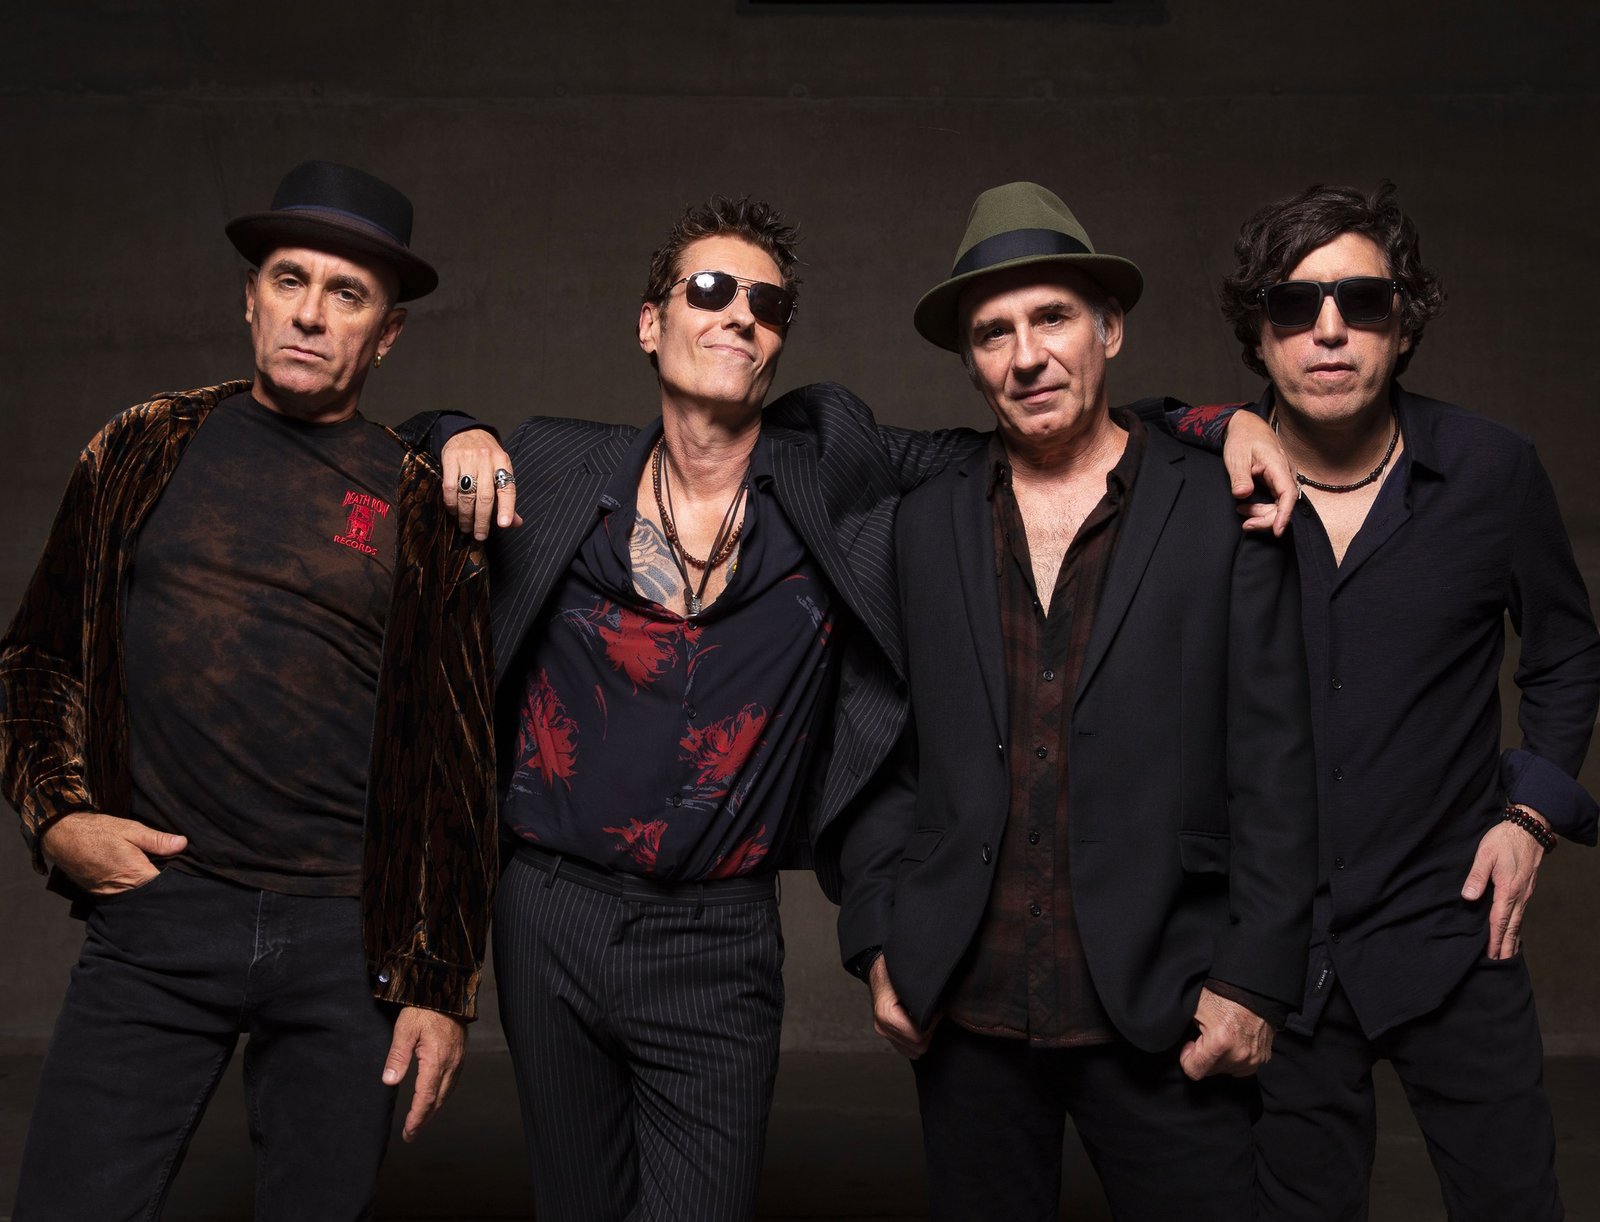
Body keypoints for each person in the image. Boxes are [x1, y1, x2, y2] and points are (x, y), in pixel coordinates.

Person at [0, 160, 498, 1221]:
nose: (310, 313)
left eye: (346, 293)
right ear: (250, 297)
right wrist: (58, 817)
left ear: (387, 334)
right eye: (288, 279)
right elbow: (36, 660)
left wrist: (440, 980)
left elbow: (458, 760)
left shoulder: (422, 504)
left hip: (345, 945)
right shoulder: (142, 447)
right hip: (159, 912)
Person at [832, 180, 1319, 1220]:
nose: (1026, 355)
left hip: (1168, 1007)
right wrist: (878, 942)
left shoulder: (1222, 506)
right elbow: (881, 752)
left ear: (1110, 330)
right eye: (993, 333)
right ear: (971, 362)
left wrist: (1254, 981)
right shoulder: (920, 526)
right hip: (965, 1013)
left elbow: (1276, 766)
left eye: (1051, 318)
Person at [1191, 182, 1600, 1221]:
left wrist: (1531, 815)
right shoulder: (1199, 484)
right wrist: (1219, 424)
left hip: (1452, 933)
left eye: (1362, 302)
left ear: (1403, 325)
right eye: (1294, 306)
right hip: (1275, 953)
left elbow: (1564, 652)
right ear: (1258, 335)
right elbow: (1125, 424)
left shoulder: (1493, 472)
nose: (1329, 331)